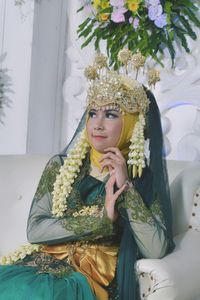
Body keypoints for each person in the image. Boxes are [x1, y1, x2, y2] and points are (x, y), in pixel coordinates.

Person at [0, 51, 174, 300]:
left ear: (133, 124)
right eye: (93, 113)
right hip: (40, 265)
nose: (97, 124)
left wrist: (127, 189)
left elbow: (156, 249)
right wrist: (100, 221)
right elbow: (36, 230)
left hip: (87, 279)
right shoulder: (62, 166)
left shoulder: (141, 180)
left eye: (111, 115)